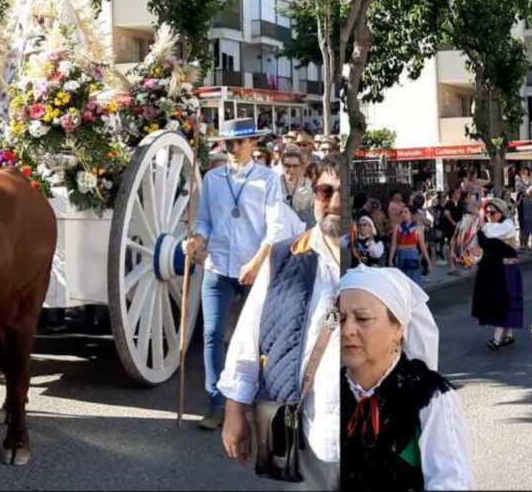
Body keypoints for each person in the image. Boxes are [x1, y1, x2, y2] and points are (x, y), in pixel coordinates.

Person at [219, 158, 342, 490]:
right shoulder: (284, 258)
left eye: (345, 193)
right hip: (305, 434)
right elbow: (250, 334)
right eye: (326, 191)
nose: (336, 203)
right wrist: (235, 408)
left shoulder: (381, 269)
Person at [186, 118, 286, 430]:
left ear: (252, 144)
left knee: (258, 338)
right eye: (227, 143)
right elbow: (204, 220)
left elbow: (276, 229)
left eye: (238, 142)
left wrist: (257, 263)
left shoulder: (268, 180)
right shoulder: (213, 179)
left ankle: (256, 400)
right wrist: (197, 239)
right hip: (218, 266)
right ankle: (216, 403)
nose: (231, 148)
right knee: (212, 335)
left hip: (254, 270)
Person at [339, 265, 475, 490]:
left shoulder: (428, 397)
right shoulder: (326, 393)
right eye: (341, 318)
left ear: (398, 329)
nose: (347, 330)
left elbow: (451, 481)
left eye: (362, 318)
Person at [471, 198, 523, 350]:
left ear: (501, 212)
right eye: (487, 212)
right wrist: (474, 256)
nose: (489, 215)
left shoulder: (507, 225)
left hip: (508, 271)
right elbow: (480, 248)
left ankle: (496, 339)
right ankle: (508, 335)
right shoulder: (487, 227)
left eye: (492, 212)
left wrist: (481, 223)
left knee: (505, 302)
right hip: (492, 270)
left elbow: (493, 232)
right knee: (499, 303)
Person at [389, 205, 431, 286]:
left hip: (412, 254)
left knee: (414, 280)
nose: (403, 214)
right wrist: (391, 259)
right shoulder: (397, 228)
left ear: (411, 214)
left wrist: (428, 262)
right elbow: (393, 245)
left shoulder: (418, 228)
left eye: (406, 212)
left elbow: (423, 247)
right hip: (401, 254)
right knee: (402, 281)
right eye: (402, 212)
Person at [280, 146, 315, 228]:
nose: (291, 170)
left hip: (304, 230)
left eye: (295, 166)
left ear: (301, 167)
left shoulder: (310, 186)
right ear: (282, 165)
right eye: (287, 166)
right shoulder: (274, 183)